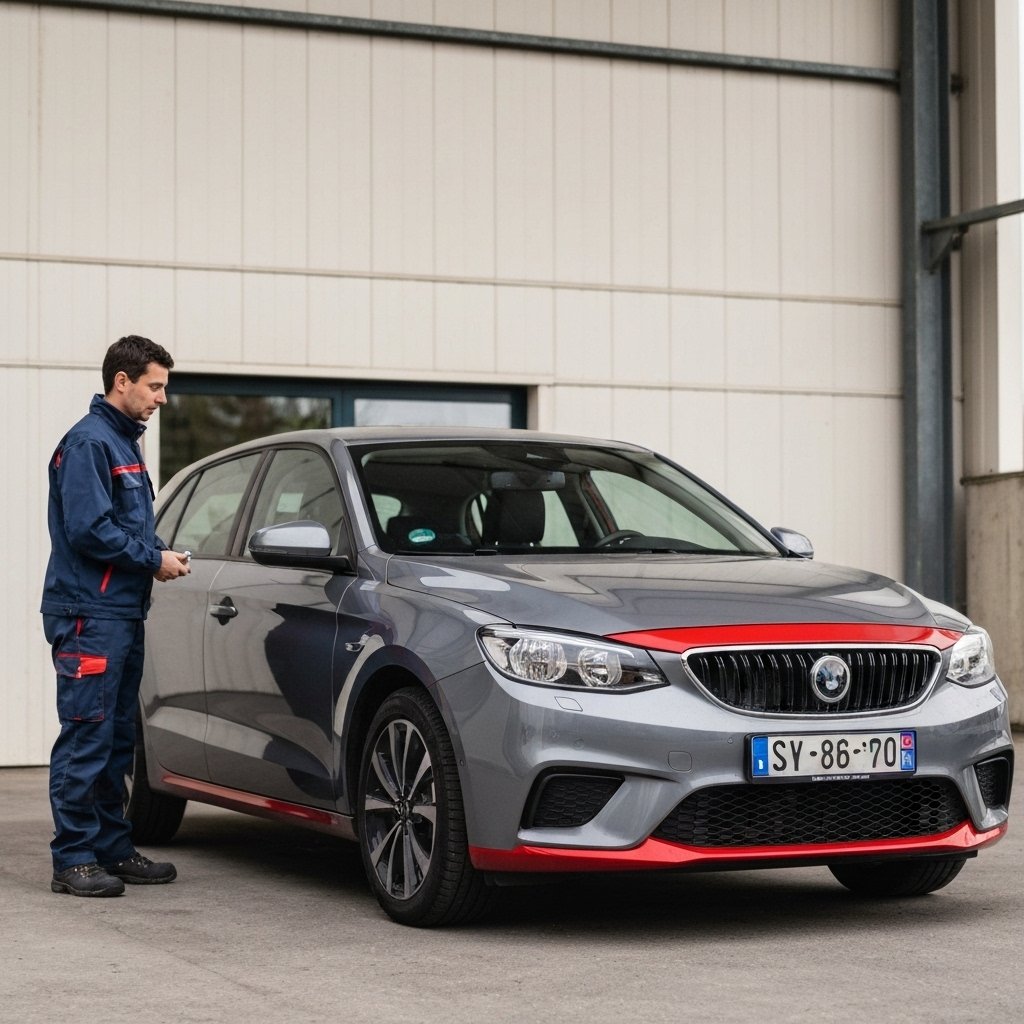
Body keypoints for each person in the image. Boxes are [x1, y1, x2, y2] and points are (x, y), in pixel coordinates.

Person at [41, 335, 191, 897]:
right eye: (155, 386)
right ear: (121, 381)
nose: (162, 398)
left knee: (117, 738)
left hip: (121, 613)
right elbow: (88, 530)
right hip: (89, 614)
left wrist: (160, 553)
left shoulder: (122, 443)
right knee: (87, 735)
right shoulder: (89, 443)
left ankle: (111, 849)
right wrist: (153, 560)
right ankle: (73, 858)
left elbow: (125, 526)